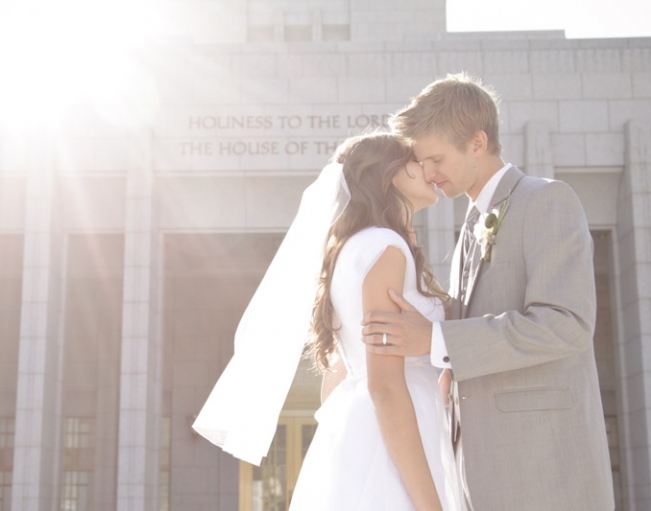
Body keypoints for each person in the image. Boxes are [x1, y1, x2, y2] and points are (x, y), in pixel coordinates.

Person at [362, 73, 614, 510]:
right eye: (422, 162)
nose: (428, 172)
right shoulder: (468, 229)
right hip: (477, 473)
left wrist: (437, 340)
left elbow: (567, 324)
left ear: (477, 143)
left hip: (543, 473)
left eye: (436, 158)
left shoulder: (547, 200)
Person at [193, 131, 460, 510]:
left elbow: (336, 377)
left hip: (358, 428)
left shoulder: (350, 250)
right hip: (395, 434)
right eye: (414, 160)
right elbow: (385, 385)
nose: (427, 167)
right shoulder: (386, 248)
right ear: (387, 174)